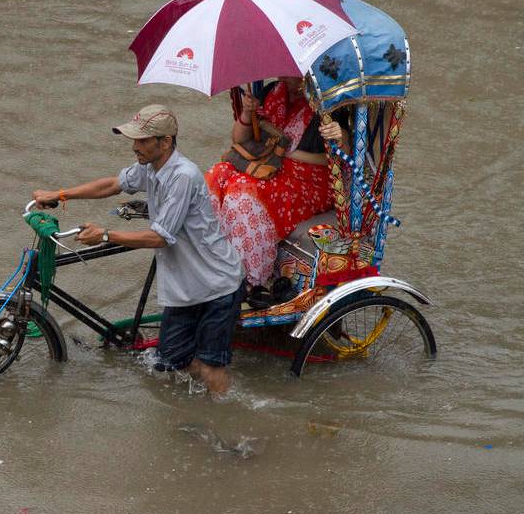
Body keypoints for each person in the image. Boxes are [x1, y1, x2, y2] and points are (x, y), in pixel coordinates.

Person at [32, 105, 245, 395]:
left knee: (210, 367)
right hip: (185, 287)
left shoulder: (183, 175)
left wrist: (106, 234)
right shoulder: (149, 168)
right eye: (135, 140)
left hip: (215, 284)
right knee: (171, 364)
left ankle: (225, 425)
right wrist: (59, 194)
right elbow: (113, 184)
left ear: (166, 141)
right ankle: (196, 406)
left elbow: (159, 238)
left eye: (143, 140)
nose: (135, 147)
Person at [205, 77, 348, 299]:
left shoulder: (326, 103)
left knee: (242, 193)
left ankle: (250, 279)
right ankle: (212, 260)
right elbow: (240, 139)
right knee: (218, 173)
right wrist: (246, 112)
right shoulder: (272, 92)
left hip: (308, 178)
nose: (288, 79)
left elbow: (339, 155)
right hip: (269, 166)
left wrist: (290, 153)